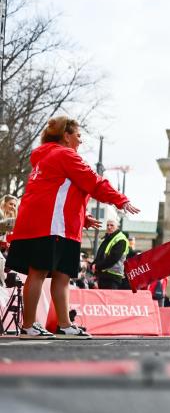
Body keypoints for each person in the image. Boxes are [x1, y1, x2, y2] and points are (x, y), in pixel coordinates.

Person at [5, 116, 139, 339]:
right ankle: (29, 325)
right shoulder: (65, 154)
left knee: (61, 275)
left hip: (49, 223)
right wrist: (120, 200)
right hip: (52, 226)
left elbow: (56, 192)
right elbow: (93, 181)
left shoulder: (45, 158)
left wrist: (83, 216)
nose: (81, 141)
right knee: (39, 273)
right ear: (65, 136)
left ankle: (64, 324)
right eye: (78, 135)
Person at [93, 219, 129, 290]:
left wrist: (97, 266)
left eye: (112, 225)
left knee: (109, 300)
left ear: (117, 227)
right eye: (107, 225)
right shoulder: (108, 238)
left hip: (113, 277)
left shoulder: (121, 239)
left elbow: (113, 258)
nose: (109, 227)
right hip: (104, 276)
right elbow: (100, 255)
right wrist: (93, 264)